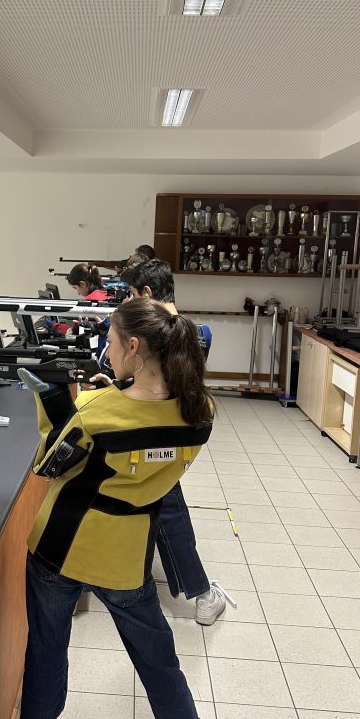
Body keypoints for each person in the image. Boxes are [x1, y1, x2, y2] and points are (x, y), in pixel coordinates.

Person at [16, 298, 233, 719]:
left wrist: (52, 397)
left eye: (111, 343)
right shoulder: (200, 413)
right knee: (161, 671)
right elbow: (141, 445)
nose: (106, 352)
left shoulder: (97, 413)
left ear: (134, 348)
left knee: (46, 659)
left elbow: (51, 463)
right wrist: (114, 393)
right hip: (126, 553)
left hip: (61, 549)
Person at [127, 258, 235, 625]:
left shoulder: (153, 337)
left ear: (147, 294)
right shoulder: (196, 332)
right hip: (178, 433)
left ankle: (202, 593)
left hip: (152, 434)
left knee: (165, 506)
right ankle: (199, 592)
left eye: (132, 295)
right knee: (160, 503)